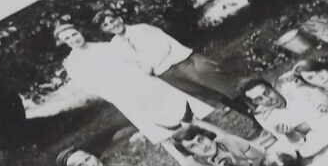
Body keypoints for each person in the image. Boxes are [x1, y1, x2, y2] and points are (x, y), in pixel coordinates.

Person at [55, 21, 212, 143]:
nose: (73, 39)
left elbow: (133, 59)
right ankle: (184, 155)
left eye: (74, 34)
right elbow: (90, 86)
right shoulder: (73, 63)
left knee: (177, 108)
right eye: (67, 38)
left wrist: (144, 68)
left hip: (142, 82)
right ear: (64, 42)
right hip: (122, 94)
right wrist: (115, 92)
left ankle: (210, 134)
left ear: (79, 32)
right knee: (158, 126)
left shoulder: (105, 46)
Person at [93, 8, 250, 116]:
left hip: (182, 63)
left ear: (119, 19)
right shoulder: (116, 45)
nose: (112, 25)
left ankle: (256, 110)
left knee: (222, 86)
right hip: (166, 74)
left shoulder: (142, 29)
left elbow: (163, 46)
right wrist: (142, 70)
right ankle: (248, 115)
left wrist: (149, 65)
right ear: (104, 30)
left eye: (112, 20)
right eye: (106, 25)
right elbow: (129, 63)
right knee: (212, 94)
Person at [238, 78, 328, 157]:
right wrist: (291, 134)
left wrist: (303, 128)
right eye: (259, 99)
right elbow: (297, 145)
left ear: (273, 87)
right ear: (255, 102)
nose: (267, 99)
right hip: (317, 143)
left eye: (267, 92)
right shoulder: (264, 116)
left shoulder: (294, 89)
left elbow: (327, 110)